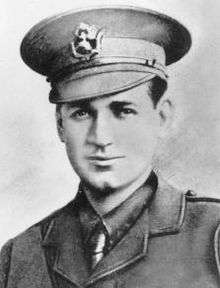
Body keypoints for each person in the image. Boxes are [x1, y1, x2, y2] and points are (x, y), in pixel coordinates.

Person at [0, 6, 220, 288]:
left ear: (161, 117)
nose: (101, 137)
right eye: (82, 113)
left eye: (123, 111)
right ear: (60, 126)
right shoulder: (18, 256)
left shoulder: (212, 235)